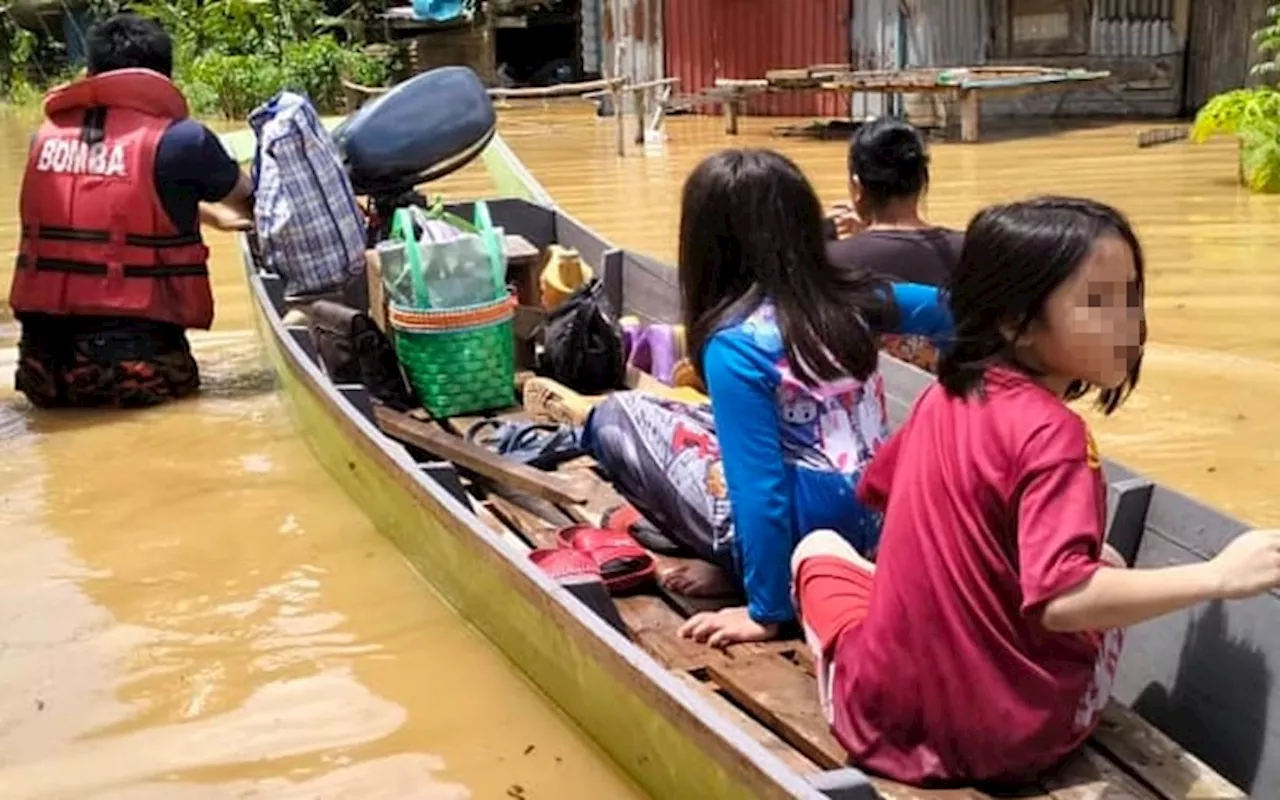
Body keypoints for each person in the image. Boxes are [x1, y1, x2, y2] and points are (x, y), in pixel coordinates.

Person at [791, 196, 1280, 785]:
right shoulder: (1058, 435)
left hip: (879, 725)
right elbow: (1062, 603)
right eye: (1099, 302)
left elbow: (884, 493)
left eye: (1131, 295)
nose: (1128, 321)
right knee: (1108, 562)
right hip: (1014, 741)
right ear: (1015, 321)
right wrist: (1218, 578)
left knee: (817, 550)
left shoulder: (939, 396)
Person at [580, 149, 952, 647]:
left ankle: (744, 569)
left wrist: (765, 611)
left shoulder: (736, 345)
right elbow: (958, 311)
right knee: (700, 417)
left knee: (617, 416)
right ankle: (751, 567)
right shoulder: (861, 297)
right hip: (876, 524)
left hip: (801, 539)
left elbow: (760, 491)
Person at [9, 13, 254, 409]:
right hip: (136, 370)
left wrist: (211, 217)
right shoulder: (184, 140)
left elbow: (98, 206)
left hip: (43, 371)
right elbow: (254, 201)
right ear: (164, 76)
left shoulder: (44, 138)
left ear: (90, 72)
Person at [826, 119, 963, 371]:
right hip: (954, 401)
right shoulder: (973, 251)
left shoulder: (829, 261)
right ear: (922, 181)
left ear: (857, 187)